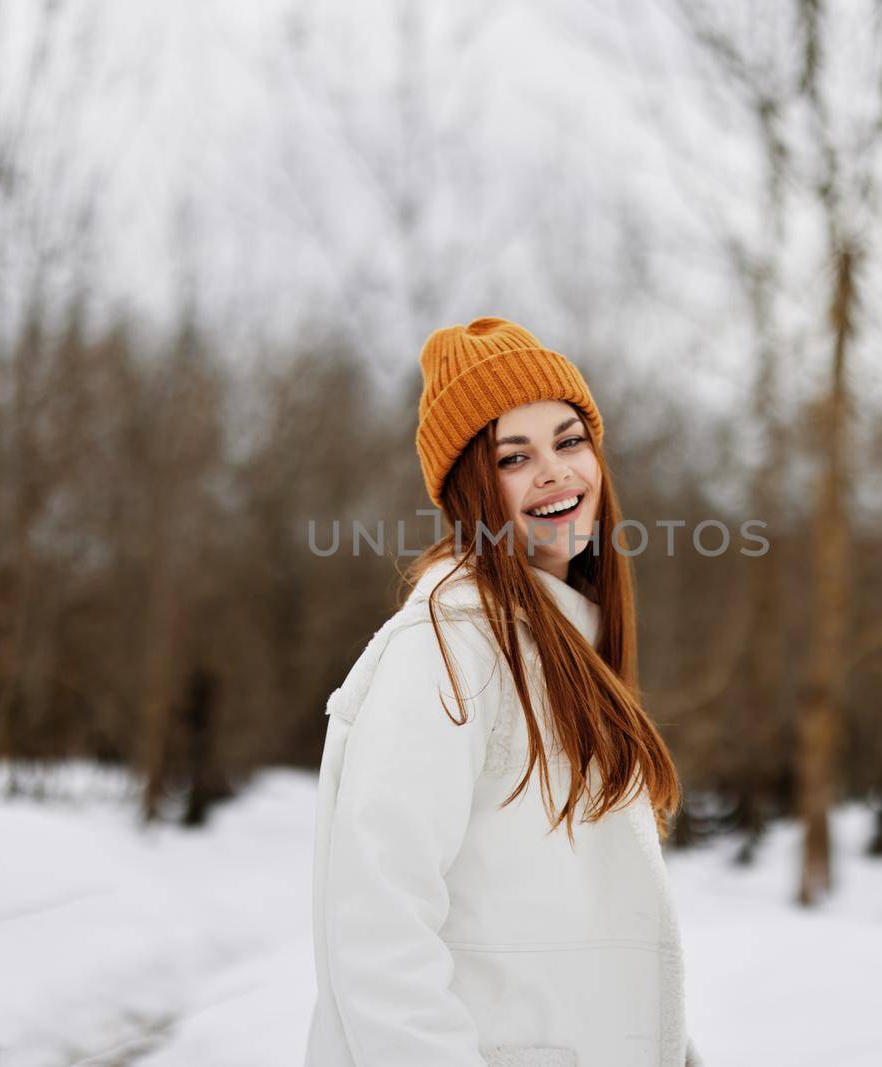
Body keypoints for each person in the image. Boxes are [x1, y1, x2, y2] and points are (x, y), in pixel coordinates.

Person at [304, 317, 704, 1066]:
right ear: (471, 494)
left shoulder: (567, 646)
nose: (555, 472)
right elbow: (377, 927)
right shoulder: (451, 646)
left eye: (569, 439)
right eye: (514, 457)